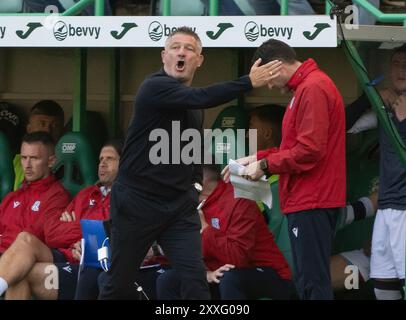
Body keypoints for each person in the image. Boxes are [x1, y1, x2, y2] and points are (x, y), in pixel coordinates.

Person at [98, 27, 282, 300]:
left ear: (199, 60)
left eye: (190, 49)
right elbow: (201, 97)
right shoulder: (154, 87)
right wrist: (247, 81)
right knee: (118, 283)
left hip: (177, 208)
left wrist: (193, 188)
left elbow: (190, 153)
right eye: (175, 47)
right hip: (137, 203)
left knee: (195, 281)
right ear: (164, 56)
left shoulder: (194, 109)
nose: (181, 52)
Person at [223, 39, 346, 300]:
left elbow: (309, 150)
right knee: (306, 281)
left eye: (265, 79)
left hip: (312, 199)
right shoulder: (305, 88)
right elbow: (295, 146)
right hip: (308, 198)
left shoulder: (312, 88)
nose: (268, 86)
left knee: (312, 282)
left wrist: (265, 165)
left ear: (275, 67)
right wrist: (255, 157)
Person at [0, 140, 121, 300]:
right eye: (100, 159)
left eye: (109, 159)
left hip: (90, 266)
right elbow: (52, 233)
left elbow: (113, 233)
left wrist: (79, 232)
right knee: (24, 244)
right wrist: (89, 232)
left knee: (22, 269)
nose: (102, 164)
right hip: (66, 255)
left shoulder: (127, 199)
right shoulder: (85, 195)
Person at [157, 163, 293, 300]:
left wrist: (205, 229)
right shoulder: (189, 206)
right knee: (168, 280)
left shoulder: (239, 200)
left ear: (200, 178)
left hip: (266, 275)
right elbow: (184, 256)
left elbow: (237, 259)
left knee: (229, 277)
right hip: (218, 275)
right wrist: (206, 273)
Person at [348, 44, 406, 300]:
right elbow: (341, 126)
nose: (401, 70)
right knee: (384, 283)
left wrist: (403, 122)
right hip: (387, 207)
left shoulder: (399, 112)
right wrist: (369, 98)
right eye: (396, 64)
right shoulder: (387, 107)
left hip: (405, 208)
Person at [0, 131, 71, 298]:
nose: (27, 165)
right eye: (24, 158)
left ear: (51, 161)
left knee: (20, 271)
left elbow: (39, 236)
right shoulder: (12, 197)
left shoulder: (57, 197)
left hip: (27, 261)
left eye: (34, 158)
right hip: (6, 260)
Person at [13, 100, 65, 191]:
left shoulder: (69, 164)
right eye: (42, 124)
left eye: (55, 125)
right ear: (29, 128)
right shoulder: (15, 162)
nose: (48, 130)